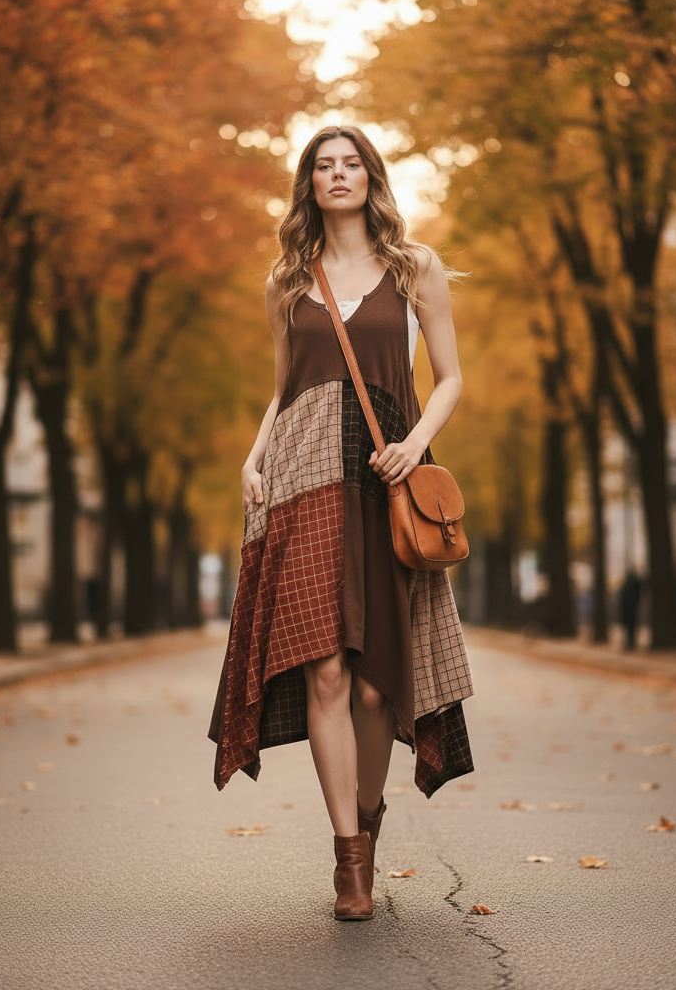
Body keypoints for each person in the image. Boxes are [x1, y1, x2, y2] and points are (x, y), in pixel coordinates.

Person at [208, 124, 475, 921]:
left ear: (370, 175)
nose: (336, 175)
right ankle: (349, 860)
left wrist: (415, 445)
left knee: (371, 688)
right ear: (309, 184)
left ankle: (368, 815)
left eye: (349, 163)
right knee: (324, 668)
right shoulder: (287, 279)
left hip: (383, 482)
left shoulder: (414, 266)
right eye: (323, 166)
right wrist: (255, 458)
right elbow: (285, 388)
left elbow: (451, 378)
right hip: (304, 480)